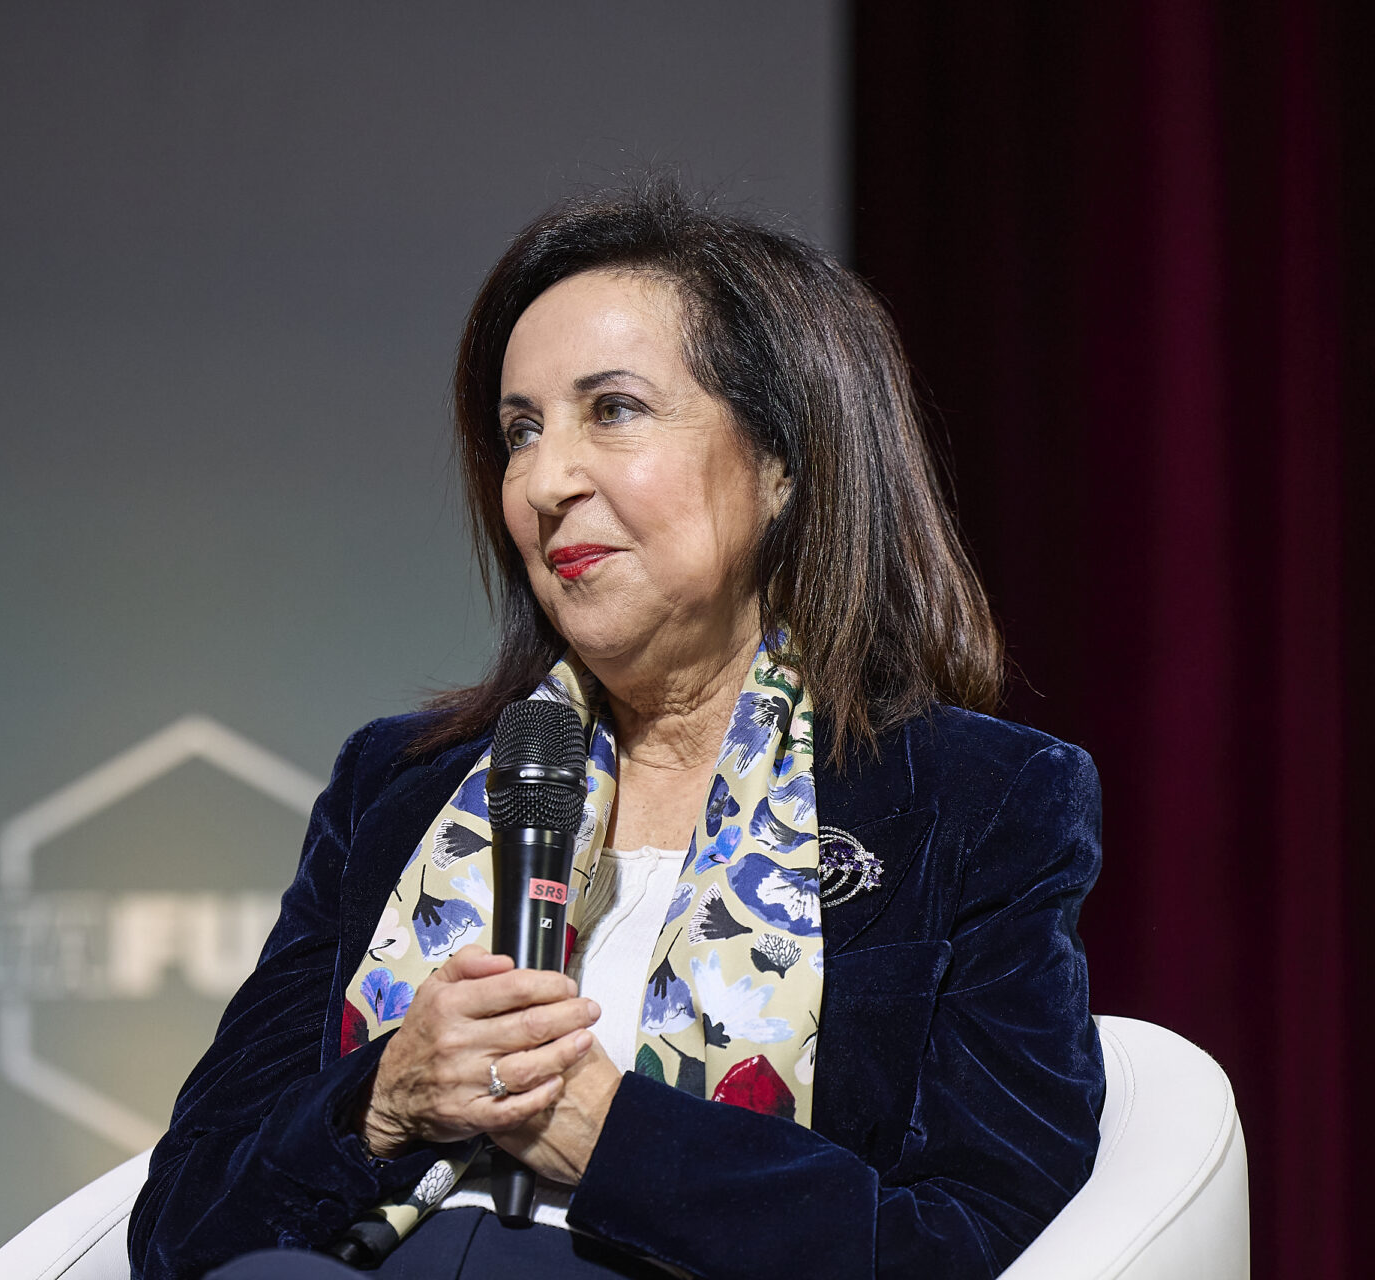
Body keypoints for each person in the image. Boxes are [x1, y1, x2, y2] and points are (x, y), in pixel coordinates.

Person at [128, 183, 1104, 1280]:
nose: (545, 482)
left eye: (615, 410)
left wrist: (610, 1137)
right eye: (520, 431)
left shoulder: (975, 801)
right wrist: (386, 1098)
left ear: (781, 462)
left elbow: (970, 1238)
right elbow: (179, 1228)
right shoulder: (398, 788)